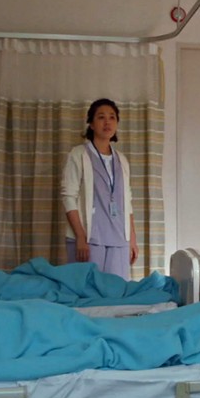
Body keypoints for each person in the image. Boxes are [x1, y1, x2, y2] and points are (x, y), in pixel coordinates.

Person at [61, 98, 138, 279]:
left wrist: (132, 239)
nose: (107, 122)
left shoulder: (122, 160)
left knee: (116, 290)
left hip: (119, 239)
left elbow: (127, 203)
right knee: (86, 290)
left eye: (112, 117)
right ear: (91, 124)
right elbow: (68, 197)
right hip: (89, 239)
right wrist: (80, 236)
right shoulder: (78, 155)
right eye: (101, 117)